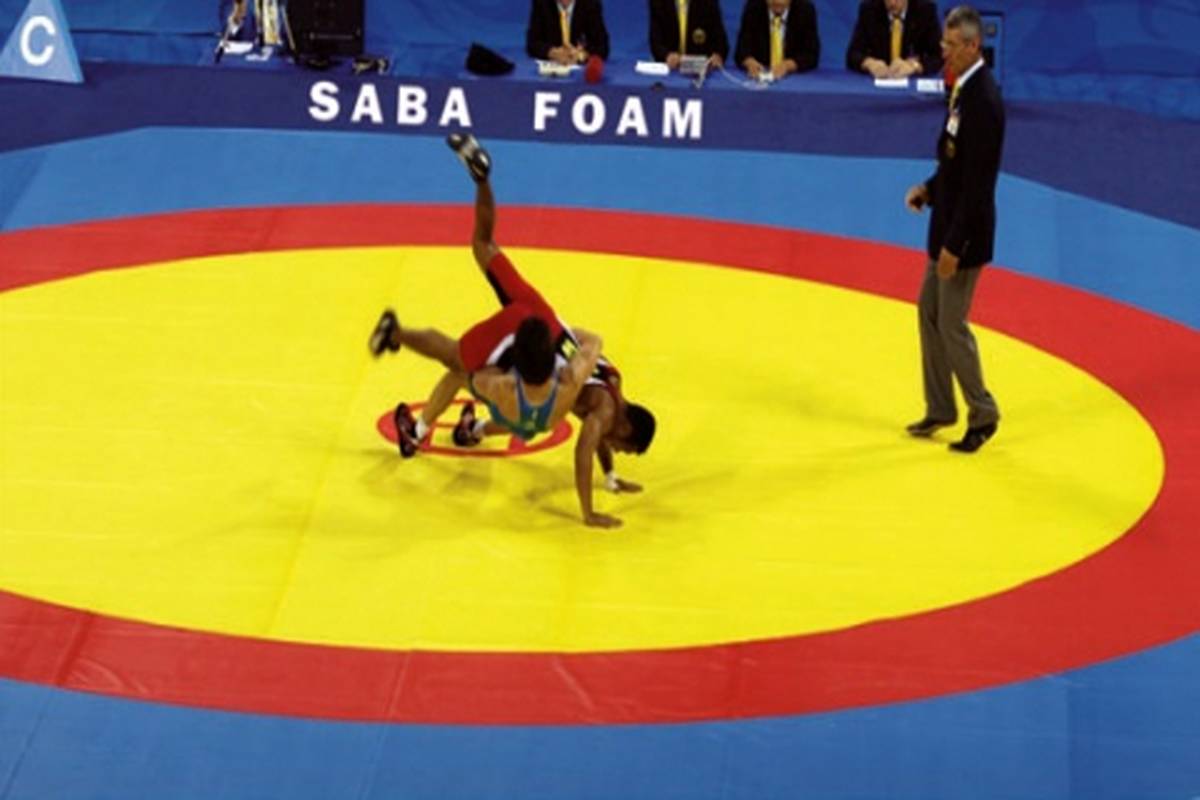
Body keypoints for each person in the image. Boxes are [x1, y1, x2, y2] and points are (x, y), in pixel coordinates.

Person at [369, 134, 603, 457]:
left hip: (547, 320)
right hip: (522, 330)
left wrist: (567, 336)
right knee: (454, 357)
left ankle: (482, 180)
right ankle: (395, 333)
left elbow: (595, 343)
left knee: (484, 245)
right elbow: (473, 378)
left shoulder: (577, 380)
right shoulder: (548, 399)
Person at [903, 5, 1003, 453]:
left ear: (972, 45)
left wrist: (955, 247)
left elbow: (978, 186)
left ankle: (983, 412)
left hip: (963, 236)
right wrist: (929, 188)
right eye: (943, 43)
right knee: (928, 312)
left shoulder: (984, 101)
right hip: (946, 225)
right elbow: (954, 163)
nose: (943, 51)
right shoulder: (962, 89)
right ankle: (941, 406)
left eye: (949, 44)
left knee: (951, 324)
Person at [845, 0, 942, 79]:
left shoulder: (925, 10)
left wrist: (914, 66)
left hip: (911, 82)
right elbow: (853, 54)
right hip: (879, 82)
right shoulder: (869, 10)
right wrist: (869, 63)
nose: (892, 3)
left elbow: (938, 56)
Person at [734, 0, 820, 81]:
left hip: (794, 79)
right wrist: (749, 62)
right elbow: (741, 50)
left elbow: (811, 54)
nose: (778, 1)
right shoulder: (753, 7)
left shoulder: (805, 10)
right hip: (760, 72)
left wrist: (788, 65)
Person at [648, 0, 729, 71]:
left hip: (702, 69)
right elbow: (655, 42)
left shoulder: (709, 1)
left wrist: (718, 55)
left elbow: (721, 42)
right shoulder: (658, 1)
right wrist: (666, 56)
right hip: (670, 69)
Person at [526, 0, 610, 66]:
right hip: (551, 68)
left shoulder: (591, 4)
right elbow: (532, 43)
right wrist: (552, 53)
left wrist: (581, 55)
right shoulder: (541, 2)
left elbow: (603, 47)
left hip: (579, 72)